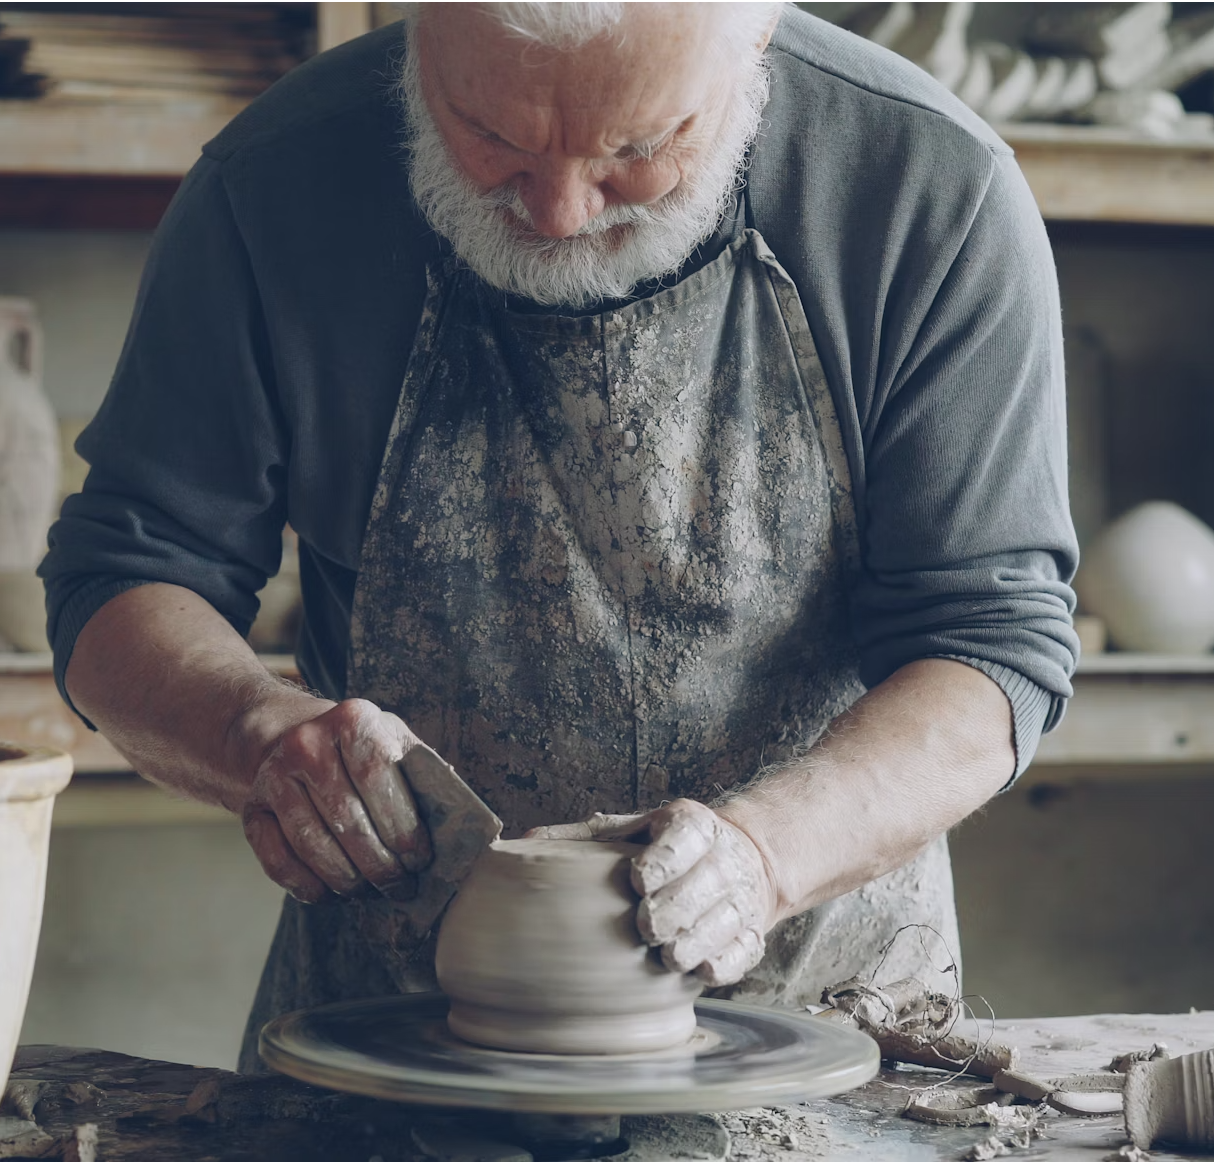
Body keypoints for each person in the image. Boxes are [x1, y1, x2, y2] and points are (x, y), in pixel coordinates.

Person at [41, 2, 1078, 1072]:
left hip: (823, 1021)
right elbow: (124, 576)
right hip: (404, 1037)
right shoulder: (274, 185)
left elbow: (990, 645)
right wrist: (258, 734)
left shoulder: (925, 187)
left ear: (755, 37)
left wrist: (763, 858)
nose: (556, 211)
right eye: (490, 136)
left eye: (635, 150)